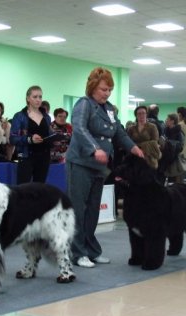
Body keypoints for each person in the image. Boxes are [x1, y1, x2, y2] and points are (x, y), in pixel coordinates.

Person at [67, 67, 144, 268]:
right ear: (92, 87)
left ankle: (92, 250)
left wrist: (133, 147)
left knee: (93, 209)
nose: (107, 93)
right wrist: (94, 149)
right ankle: (77, 252)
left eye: (109, 89)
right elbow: (79, 128)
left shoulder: (110, 109)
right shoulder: (84, 105)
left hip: (100, 167)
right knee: (79, 208)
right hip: (81, 163)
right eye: (103, 89)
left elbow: (119, 132)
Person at [10, 86, 52, 183]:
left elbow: (49, 135)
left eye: (40, 97)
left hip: (44, 157)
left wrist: (56, 138)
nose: (38, 100)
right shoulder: (19, 116)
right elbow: (13, 138)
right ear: (28, 98)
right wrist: (30, 139)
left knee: (40, 189)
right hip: (26, 157)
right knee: (23, 190)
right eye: (35, 97)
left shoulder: (46, 117)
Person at [127, 105, 161, 170]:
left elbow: (155, 142)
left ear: (146, 114)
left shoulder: (152, 127)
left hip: (149, 158)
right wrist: (137, 149)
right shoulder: (131, 128)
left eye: (143, 113)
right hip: (134, 156)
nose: (141, 115)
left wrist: (139, 147)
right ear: (136, 115)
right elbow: (128, 142)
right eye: (139, 113)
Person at [161, 112, 186, 183]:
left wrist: (170, 145)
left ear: (172, 121)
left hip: (174, 160)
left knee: (173, 183)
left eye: (167, 119)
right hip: (164, 159)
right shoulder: (165, 130)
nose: (165, 120)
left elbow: (180, 147)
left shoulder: (179, 133)